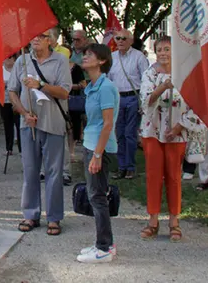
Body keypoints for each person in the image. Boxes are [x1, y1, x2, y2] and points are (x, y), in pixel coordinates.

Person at [138, 36, 207, 242]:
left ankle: (174, 221)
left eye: (167, 49)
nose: (163, 53)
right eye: (159, 49)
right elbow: (146, 100)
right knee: (153, 175)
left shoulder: (185, 74)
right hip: (153, 131)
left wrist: (179, 127)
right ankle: (152, 220)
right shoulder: (149, 73)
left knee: (174, 176)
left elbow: (196, 103)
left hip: (176, 131)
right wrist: (163, 86)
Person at [10, 29, 72, 236]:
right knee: (30, 170)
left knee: (54, 173)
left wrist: (41, 85)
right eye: (33, 35)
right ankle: (30, 214)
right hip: (29, 124)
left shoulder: (61, 61)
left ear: (50, 40)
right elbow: (12, 91)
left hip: (53, 123)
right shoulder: (22, 61)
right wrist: (23, 112)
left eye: (40, 36)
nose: (35, 39)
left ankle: (54, 217)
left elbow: (64, 92)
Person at [77, 43, 119, 264]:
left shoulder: (105, 87)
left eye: (90, 55)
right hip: (91, 144)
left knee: (97, 196)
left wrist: (97, 154)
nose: (85, 57)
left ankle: (104, 247)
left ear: (101, 61)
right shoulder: (92, 86)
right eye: (84, 54)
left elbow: (107, 123)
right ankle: (104, 242)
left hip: (100, 147)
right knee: (96, 195)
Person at [108, 29, 150, 179]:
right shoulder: (111, 57)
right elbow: (108, 79)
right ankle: (122, 166)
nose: (120, 41)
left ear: (131, 41)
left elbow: (146, 80)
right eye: (118, 38)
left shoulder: (139, 57)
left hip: (133, 97)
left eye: (124, 38)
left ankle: (131, 167)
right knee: (119, 133)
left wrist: (142, 102)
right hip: (117, 98)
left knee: (130, 133)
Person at [1, 55, 21, 155]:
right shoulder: (0, 70)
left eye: (10, 58)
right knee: (7, 124)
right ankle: (9, 147)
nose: (8, 60)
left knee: (18, 124)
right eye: (6, 58)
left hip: (17, 101)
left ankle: (22, 148)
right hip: (4, 101)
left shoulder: (17, 69)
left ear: (14, 60)